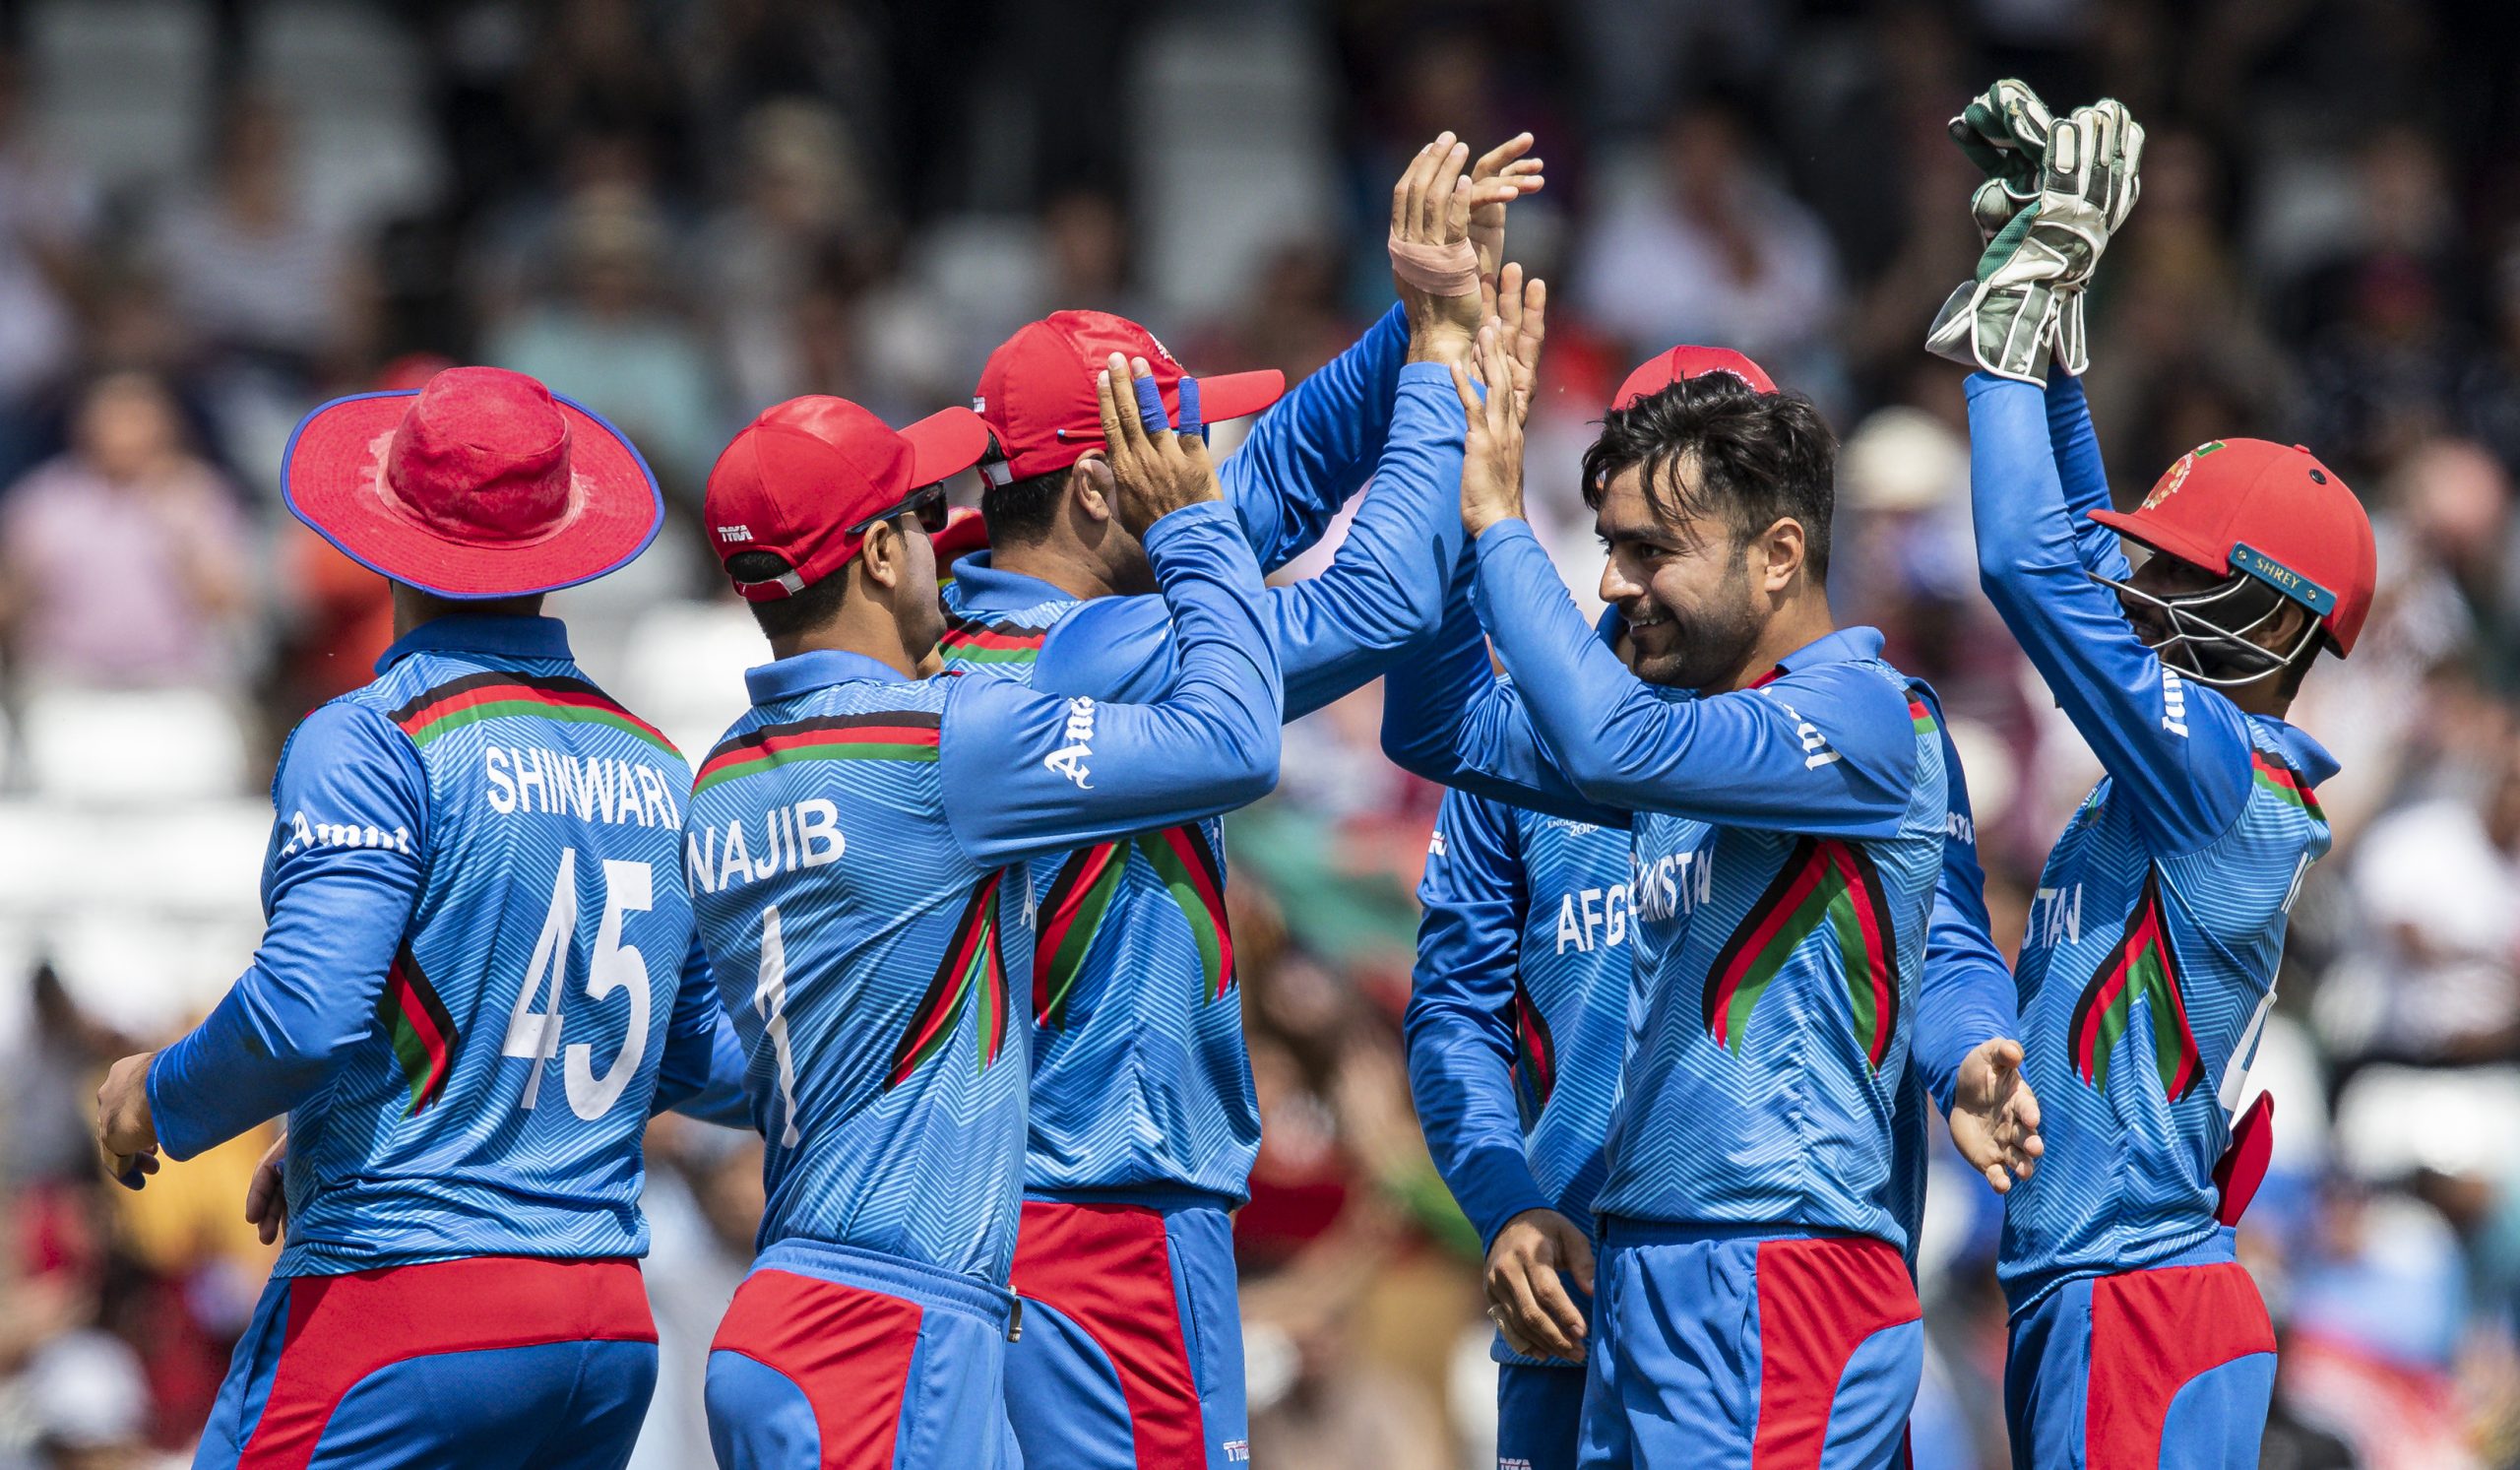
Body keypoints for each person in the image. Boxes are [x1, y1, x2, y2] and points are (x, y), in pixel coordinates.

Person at [939, 133, 1537, 1470]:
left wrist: (1418, 313)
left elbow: (1263, 495)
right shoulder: (1112, 648)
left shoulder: (1037, 630)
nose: (1214, 465)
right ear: (1107, 487)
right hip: (1113, 1214)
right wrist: (1443, 368)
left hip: (1055, 1202)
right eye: (1183, 446)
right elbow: (1380, 599)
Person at [1380, 301, 2045, 1464]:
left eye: (1649, 546)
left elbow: (1936, 935)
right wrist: (1437, 462)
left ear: (1776, 545)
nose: (1616, 581)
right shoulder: (1627, 711)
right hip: (1611, 1272)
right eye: (1610, 540)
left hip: (1770, 1266)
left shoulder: (1854, 716)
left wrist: (1968, 1039)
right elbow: (1437, 730)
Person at [91, 366, 749, 1469]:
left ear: (385, 532)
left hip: (401, 1306)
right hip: (602, 1330)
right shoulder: (657, 765)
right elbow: (688, 1054)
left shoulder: (373, 737)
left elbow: (307, 1014)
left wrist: (154, 1091)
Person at [684, 365, 1283, 1470]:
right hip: (890, 1333)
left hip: (783, 1314)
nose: (946, 536)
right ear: (873, 556)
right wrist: (1197, 529)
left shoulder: (718, 776)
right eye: (919, 516)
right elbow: (1238, 740)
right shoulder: (949, 741)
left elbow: (691, 1046)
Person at [1935, 89, 2377, 1468]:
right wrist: (2053, 305)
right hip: (2101, 1293)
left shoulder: (2217, 778)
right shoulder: (2186, 760)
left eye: (2182, 571)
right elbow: (2075, 537)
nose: (2140, 581)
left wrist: (2006, 341)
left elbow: (2026, 561)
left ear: (2277, 617)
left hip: (2143, 1303)